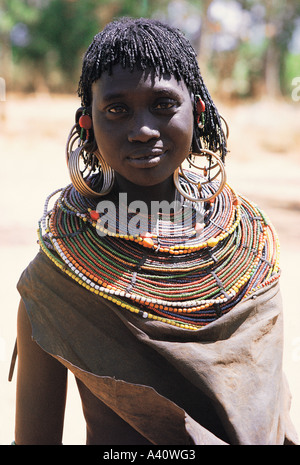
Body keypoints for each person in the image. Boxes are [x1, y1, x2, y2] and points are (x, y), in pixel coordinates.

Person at [11, 17, 298, 445]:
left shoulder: (251, 260)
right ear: (87, 123)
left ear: (198, 112)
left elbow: (270, 419)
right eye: (116, 109)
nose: (143, 130)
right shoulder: (59, 278)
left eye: (163, 104)